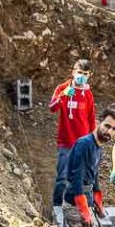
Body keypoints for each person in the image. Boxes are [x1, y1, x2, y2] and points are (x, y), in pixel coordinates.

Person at [62, 107, 115, 227]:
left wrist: (98, 201)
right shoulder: (84, 144)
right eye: (107, 126)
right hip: (75, 207)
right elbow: (76, 180)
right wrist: (85, 212)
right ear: (97, 123)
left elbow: (93, 177)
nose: (109, 131)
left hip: (84, 204)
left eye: (114, 129)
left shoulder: (98, 148)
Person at [49, 59, 97, 209]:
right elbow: (52, 108)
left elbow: (91, 118)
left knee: (82, 177)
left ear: (89, 75)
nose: (81, 76)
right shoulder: (62, 88)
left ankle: (79, 206)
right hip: (66, 142)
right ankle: (57, 207)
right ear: (73, 72)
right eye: (79, 72)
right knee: (62, 177)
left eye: (84, 73)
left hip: (83, 143)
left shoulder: (88, 94)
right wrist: (62, 95)